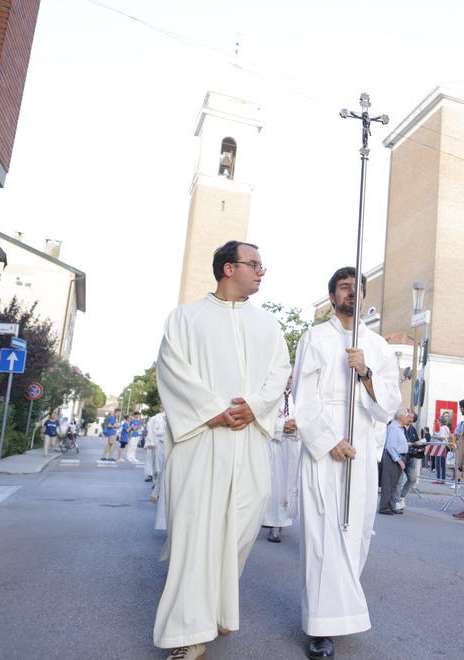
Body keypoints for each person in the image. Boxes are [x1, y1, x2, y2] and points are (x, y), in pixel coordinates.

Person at [152, 240, 290, 659]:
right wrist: (212, 411)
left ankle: (217, 608)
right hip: (201, 442)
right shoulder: (186, 318)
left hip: (248, 440)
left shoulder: (269, 325)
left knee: (241, 528)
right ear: (228, 268)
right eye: (255, 264)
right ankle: (186, 635)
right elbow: (171, 367)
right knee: (197, 535)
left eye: (262, 266)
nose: (261, 272)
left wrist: (254, 406)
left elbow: (279, 372)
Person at [293, 266, 400, 660]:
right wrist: (328, 440)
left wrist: (366, 371)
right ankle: (320, 625)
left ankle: (342, 612)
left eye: (358, 288)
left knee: (356, 530)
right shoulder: (315, 338)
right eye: (343, 288)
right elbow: (303, 399)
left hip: (363, 451)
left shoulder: (378, 345)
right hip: (325, 448)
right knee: (324, 532)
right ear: (332, 295)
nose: (351, 293)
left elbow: (389, 404)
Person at [262, 373, 300, 543]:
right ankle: (273, 524)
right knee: (275, 485)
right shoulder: (272, 396)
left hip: (291, 445)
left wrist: (296, 425)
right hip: (275, 445)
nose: (288, 380)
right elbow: (264, 419)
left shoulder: (298, 397)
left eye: (291, 377)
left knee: (287, 485)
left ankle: (282, 520)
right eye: (286, 376)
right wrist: (281, 426)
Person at [396, 411, 424, 510]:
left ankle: (401, 497)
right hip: (401, 456)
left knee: (412, 479)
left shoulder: (412, 429)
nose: (411, 419)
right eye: (409, 417)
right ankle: (396, 501)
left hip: (411, 457)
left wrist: (419, 444)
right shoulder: (399, 427)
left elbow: (416, 441)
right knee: (398, 481)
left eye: (412, 418)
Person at [145, 410, 167, 484]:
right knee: (156, 464)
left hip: (169, 442)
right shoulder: (156, 417)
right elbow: (150, 430)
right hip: (158, 442)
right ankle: (156, 482)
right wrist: (150, 442)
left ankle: (162, 481)